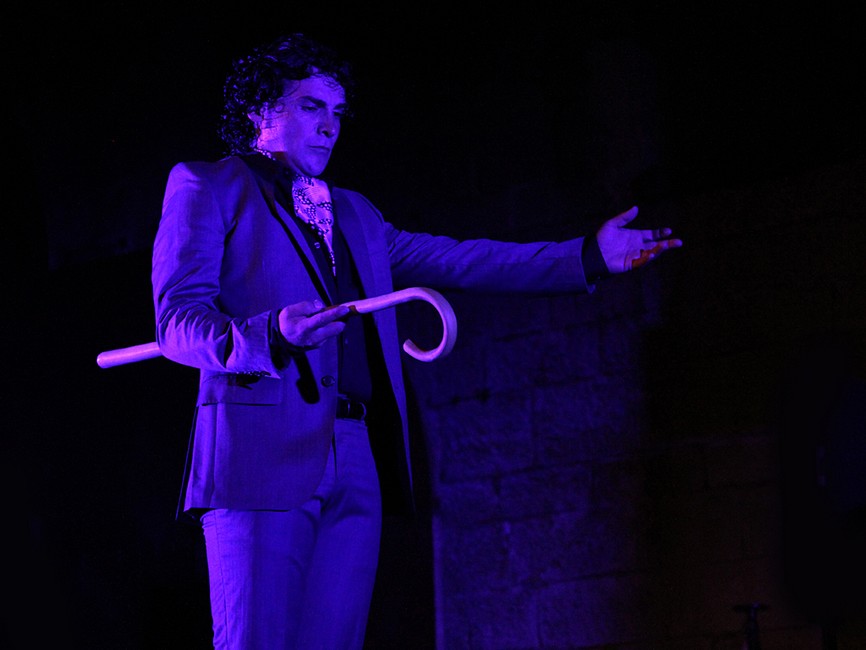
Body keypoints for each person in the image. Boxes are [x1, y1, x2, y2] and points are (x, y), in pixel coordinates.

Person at [151, 32, 682, 650]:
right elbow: (177, 322)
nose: (329, 126)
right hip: (258, 451)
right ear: (261, 110)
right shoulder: (208, 185)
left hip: (357, 454)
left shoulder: (355, 213)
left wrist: (586, 257)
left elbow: (459, 258)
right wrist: (269, 332)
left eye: (337, 112)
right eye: (311, 106)